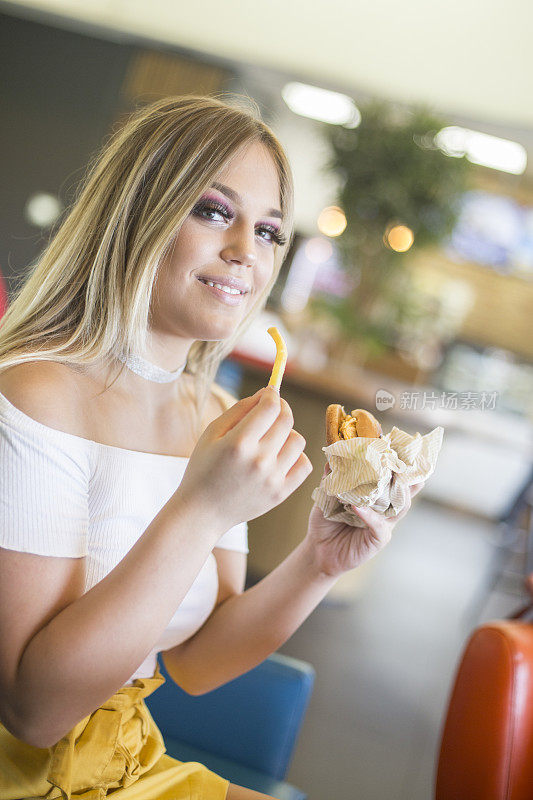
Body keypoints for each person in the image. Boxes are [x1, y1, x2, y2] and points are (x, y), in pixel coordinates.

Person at [0, 94, 424, 800]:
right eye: (213, 211)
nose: (244, 253)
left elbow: (198, 660)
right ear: (134, 211)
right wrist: (200, 508)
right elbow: (33, 712)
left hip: (124, 762)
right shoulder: (34, 396)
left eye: (267, 231)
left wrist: (317, 562)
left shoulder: (218, 413)